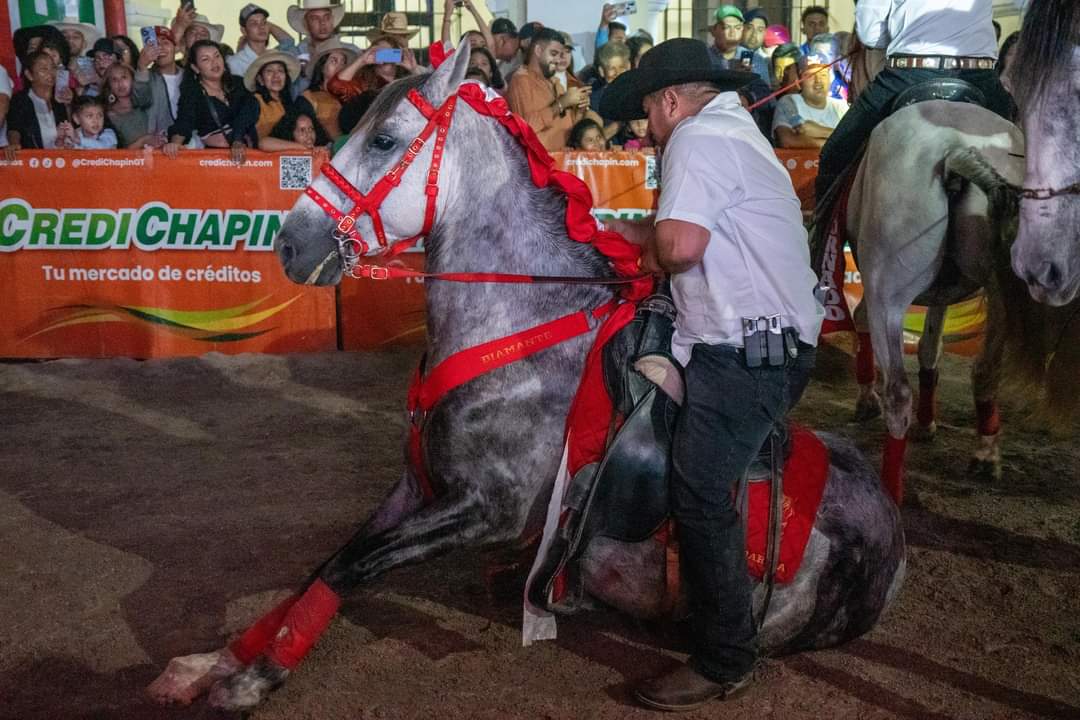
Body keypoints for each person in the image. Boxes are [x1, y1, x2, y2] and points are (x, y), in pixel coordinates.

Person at [600, 37, 823, 712]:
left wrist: (640, 244)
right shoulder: (730, 133)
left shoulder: (695, 140)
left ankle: (726, 656)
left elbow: (681, 246)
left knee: (698, 489)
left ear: (671, 101)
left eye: (646, 113)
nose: (646, 129)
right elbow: (679, 235)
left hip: (745, 353)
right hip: (749, 342)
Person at [815, 0, 1012, 201]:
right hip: (979, 77)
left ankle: (822, 229)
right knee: (1026, 148)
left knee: (835, 154)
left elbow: (870, 34)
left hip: (909, 74)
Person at [165, 39, 259, 162]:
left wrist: (237, 139)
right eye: (206, 59)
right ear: (195, 68)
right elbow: (184, 122)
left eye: (217, 56)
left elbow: (250, 111)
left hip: (250, 155)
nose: (214, 63)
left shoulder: (238, 83)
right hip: (215, 160)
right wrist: (174, 144)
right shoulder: (193, 93)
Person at [505, 28, 586, 152]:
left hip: (561, 161)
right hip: (538, 165)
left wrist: (580, 111)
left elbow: (567, 127)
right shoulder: (521, 80)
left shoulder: (553, 81)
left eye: (560, 55)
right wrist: (561, 104)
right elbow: (525, 128)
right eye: (553, 54)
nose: (558, 60)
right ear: (538, 50)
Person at [772, 57, 847, 148]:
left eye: (823, 75)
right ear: (799, 82)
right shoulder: (789, 102)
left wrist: (819, 131)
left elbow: (855, 139)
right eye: (810, 76)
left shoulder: (841, 106)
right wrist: (838, 141)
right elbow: (787, 141)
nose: (818, 81)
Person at [7, 50, 71, 150]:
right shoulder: (19, 101)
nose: (51, 73)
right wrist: (14, 144)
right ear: (29, 75)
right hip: (32, 161)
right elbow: (14, 129)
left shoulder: (59, 103)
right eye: (44, 69)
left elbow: (69, 134)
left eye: (53, 68)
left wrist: (68, 106)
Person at [327, 34, 418, 104]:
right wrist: (362, 60)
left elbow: (424, 101)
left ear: (398, 55)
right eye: (379, 52)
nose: (385, 56)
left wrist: (413, 70)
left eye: (389, 52)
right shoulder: (363, 84)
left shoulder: (406, 82)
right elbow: (336, 87)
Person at [244, 51, 313, 140]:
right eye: (269, 71)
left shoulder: (288, 102)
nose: (276, 75)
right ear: (260, 79)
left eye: (280, 71)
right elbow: (241, 125)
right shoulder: (255, 101)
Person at [227, 4, 299, 77]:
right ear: (244, 30)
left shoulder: (275, 56)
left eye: (264, 22)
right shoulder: (235, 62)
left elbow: (289, 42)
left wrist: (269, 26)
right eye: (254, 24)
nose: (261, 27)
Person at [103, 62, 164, 148]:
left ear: (133, 79)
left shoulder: (146, 101)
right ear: (109, 85)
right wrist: (142, 142)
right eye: (114, 80)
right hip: (133, 160)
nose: (120, 83)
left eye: (124, 77)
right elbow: (117, 155)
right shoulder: (109, 115)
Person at [302, 39, 354, 138]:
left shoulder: (352, 96)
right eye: (334, 61)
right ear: (321, 67)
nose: (340, 66)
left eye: (343, 62)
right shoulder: (308, 97)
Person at [134, 26, 183, 126]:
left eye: (165, 42)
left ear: (175, 47)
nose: (160, 48)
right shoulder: (145, 77)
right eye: (154, 44)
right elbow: (140, 102)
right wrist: (142, 68)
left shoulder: (188, 76)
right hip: (159, 139)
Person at [261, 105, 330, 152]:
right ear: (290, 133)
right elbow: (263, 143)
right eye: (302, 130)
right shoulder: (284, 148)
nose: (308, 134)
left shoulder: (320, 149)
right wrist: (304, 148)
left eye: (311, 129)